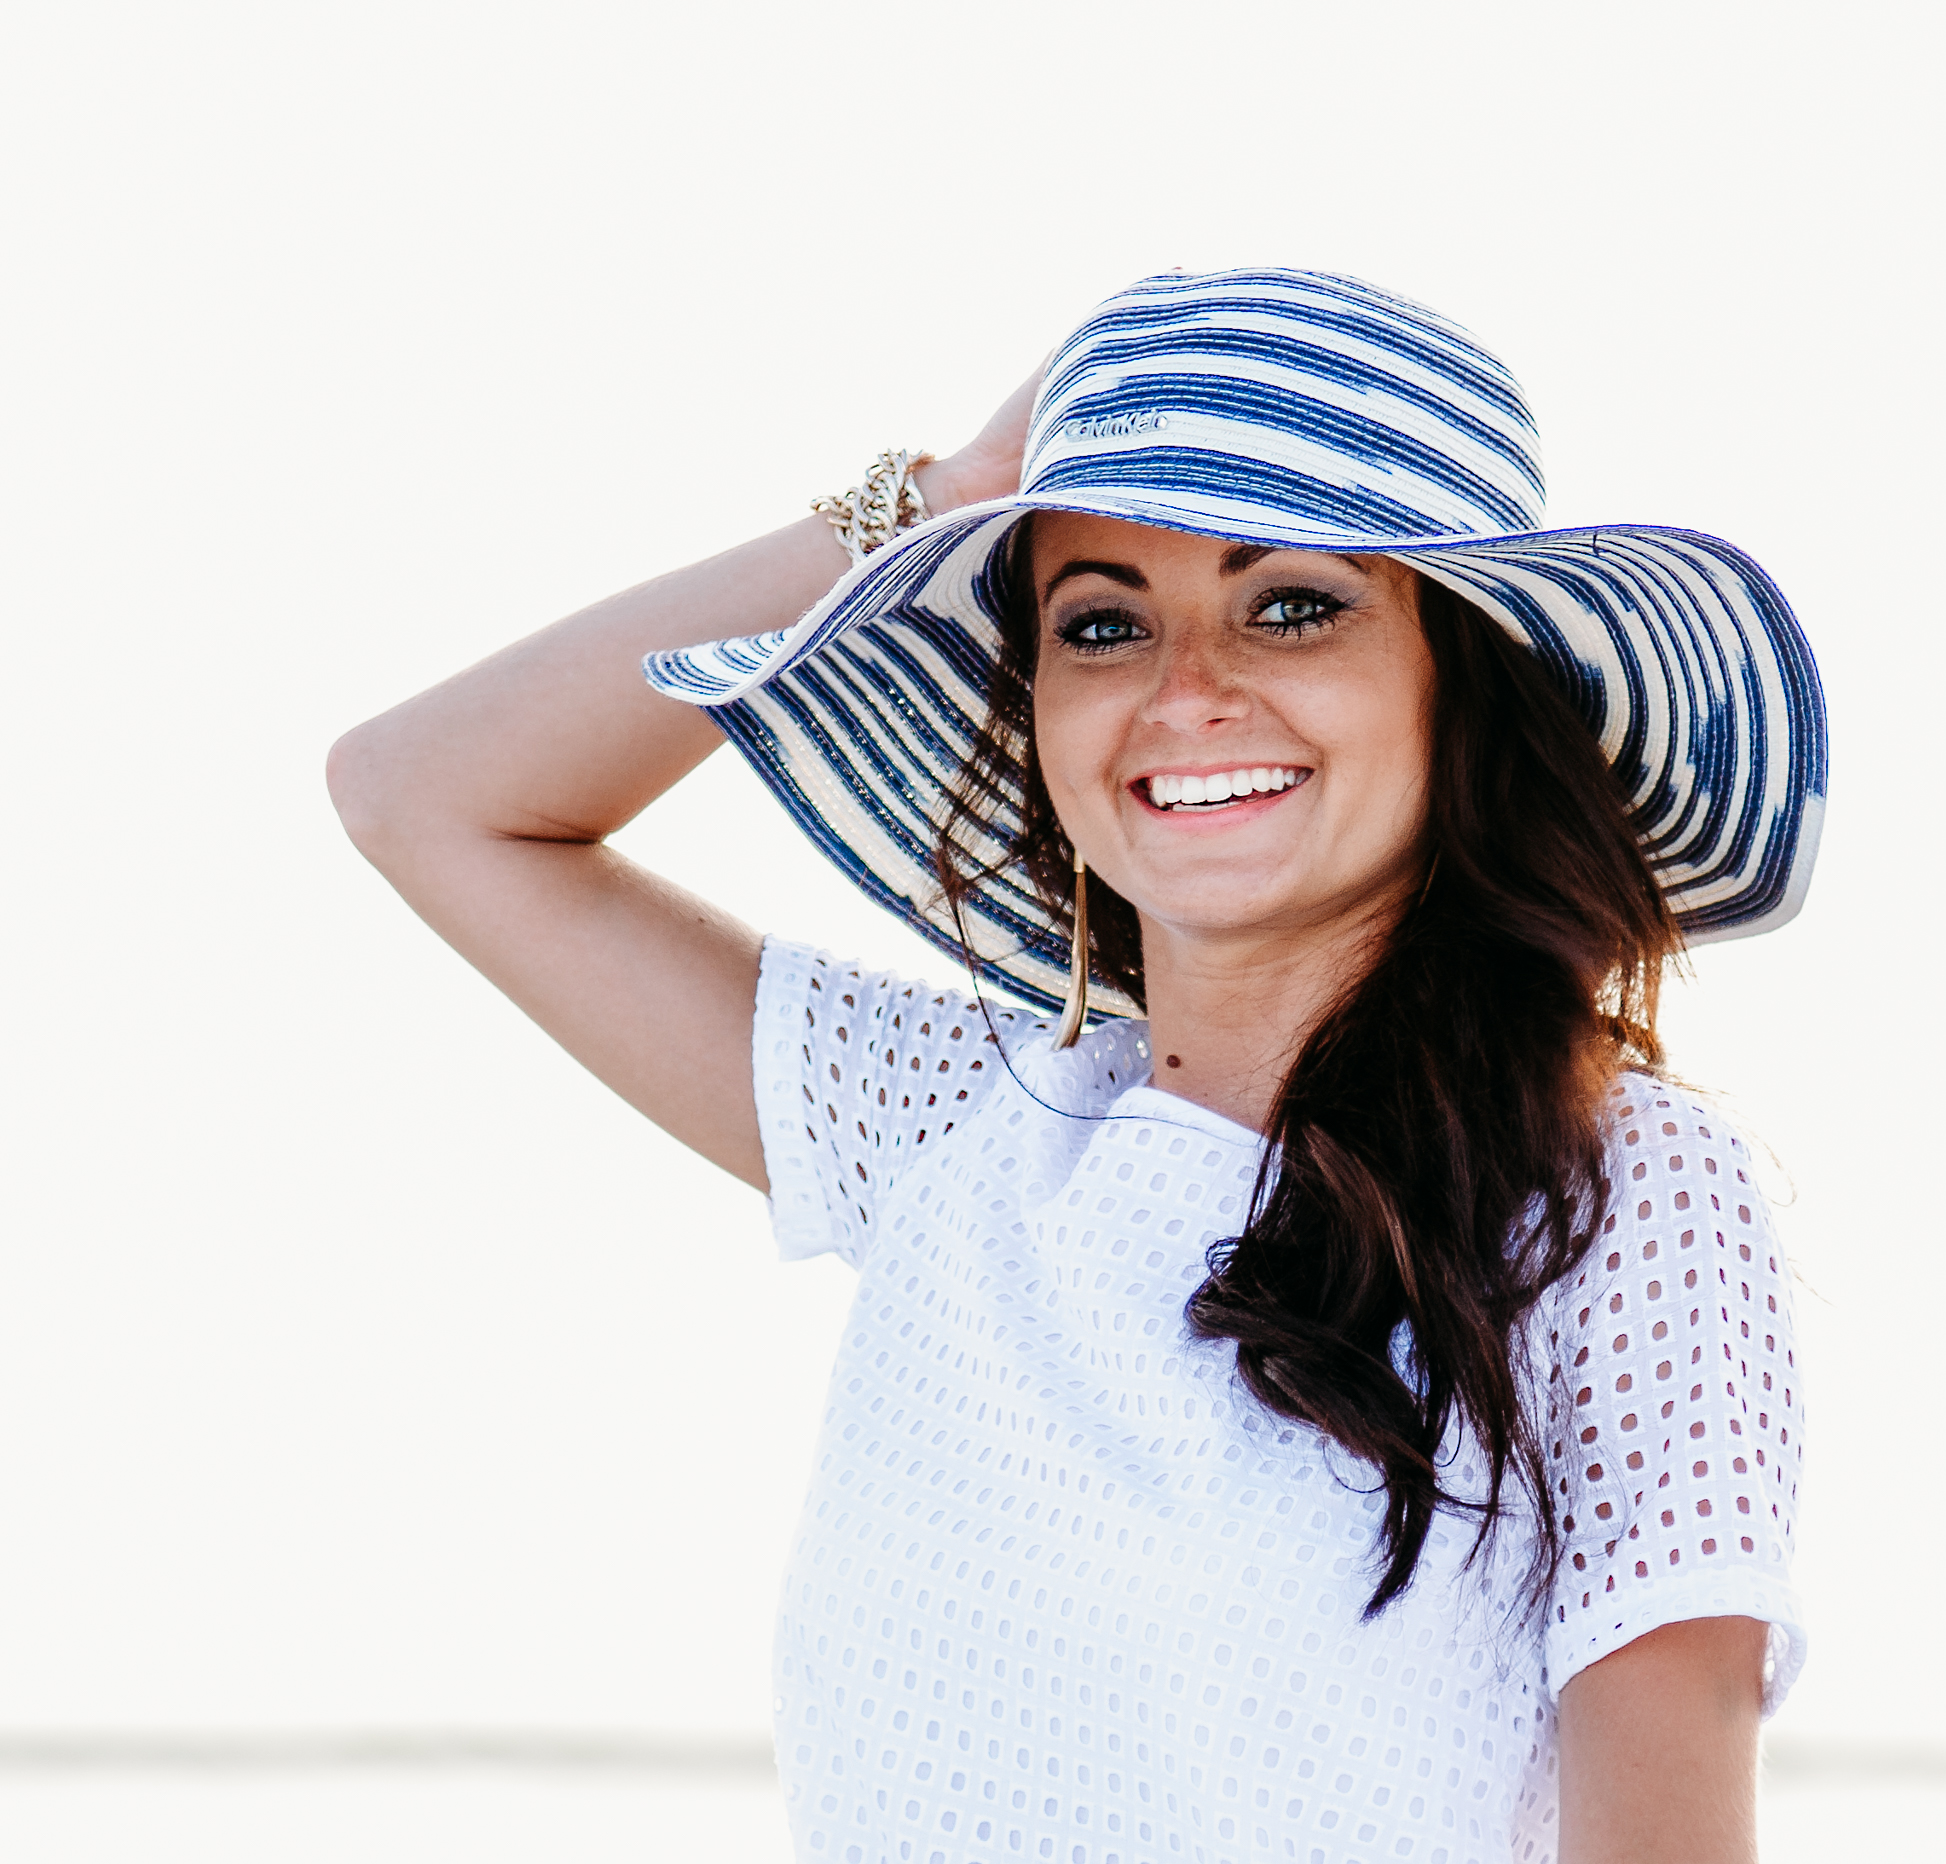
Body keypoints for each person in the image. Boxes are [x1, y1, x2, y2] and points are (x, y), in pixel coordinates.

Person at [328, 268, 1824, 1864]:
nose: (1189, 692)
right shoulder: (960, 1123)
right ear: (1035, 709)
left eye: (1295, 602)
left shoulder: (1614, 1185)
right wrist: (933, 503)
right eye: (1101, 621)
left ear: (1460, 679)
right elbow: (421, 795)